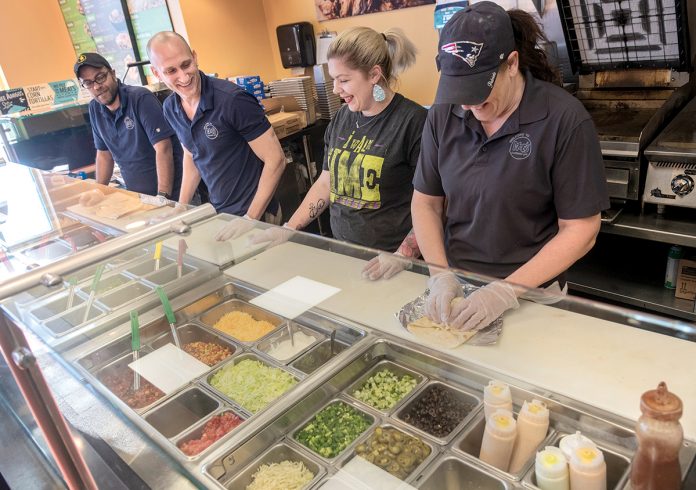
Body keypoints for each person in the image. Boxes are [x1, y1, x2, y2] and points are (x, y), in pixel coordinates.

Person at [412, 2, 609, 331]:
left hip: (532, 292)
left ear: (512, 63)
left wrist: (504, 292)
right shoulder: (442, 115)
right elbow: (426, 202)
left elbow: (581, 230)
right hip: (458, 287)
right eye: (459, 90)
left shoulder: (563, 119)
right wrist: (441, 276)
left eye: (478, 89)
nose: (468, 104)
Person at [252, 27, 427, 280]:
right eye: (333, 79)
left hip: (392, 263)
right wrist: (290, 227)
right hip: (344, 254)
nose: (335, 89)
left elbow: (432, 202)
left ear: (374, 74)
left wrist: (402, 256)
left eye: (344, 80)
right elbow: (326, 182)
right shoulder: (342, 118)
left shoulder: (414, 122)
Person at [146, 32, 286, 231]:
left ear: (195, 57)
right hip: (220, 214)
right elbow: (191, 154)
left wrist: (250, 218)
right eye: (171, 71)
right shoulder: (170, 107)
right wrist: (181, 208)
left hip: (257, 215)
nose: (183, 77)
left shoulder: (232, 100)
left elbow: (276, 160)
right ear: (157, 73)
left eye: (186, 64)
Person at [75, 52, 183, 200]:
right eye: (88, 83)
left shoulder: (140, 98)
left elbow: (163, 148)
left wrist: (162, 197)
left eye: (100, 78)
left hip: (172, 195)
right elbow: (104, 154)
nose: (96, 86)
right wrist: (98, 191)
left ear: (112, 74)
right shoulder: (95, 108)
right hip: (137, 198)